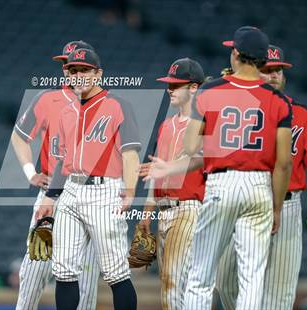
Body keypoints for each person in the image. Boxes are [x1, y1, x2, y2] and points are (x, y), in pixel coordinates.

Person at [216, 44, 307, 310]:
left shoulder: (302, 114)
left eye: (279, 70)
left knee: (279, 293)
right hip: (243, 199)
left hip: (288, 204)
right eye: (268, 70)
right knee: (225, 281)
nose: (275, 75)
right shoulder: (237, 112)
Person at [183, 26, 293, 309]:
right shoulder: (278, 100)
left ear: (235, 54)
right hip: (260, 186)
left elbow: (190, 146)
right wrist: (277, 208)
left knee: (200, 275)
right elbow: (283, 164)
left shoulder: (210, 90)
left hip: (222, 182)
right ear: (262, 61)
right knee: (252, 278)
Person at [35, 48, 141, 310]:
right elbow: (62, 160)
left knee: (116, 272)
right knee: (64, 270)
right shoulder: (66, 111)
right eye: (73, 70)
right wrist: (50, 197)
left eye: (84, 70)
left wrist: (129, 190)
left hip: (105, 190)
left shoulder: (117, 105)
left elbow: (130, 154)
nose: (78, 75)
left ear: (98, 73)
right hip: (70, 190)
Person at [11, 41, 99, 310]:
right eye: (66, 65)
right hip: (52, 192)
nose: (68, 70)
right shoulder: (48, 99)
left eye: (76, 66)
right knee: (35, 269)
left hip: (91, 192)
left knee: (86, 276)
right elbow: (19, 136)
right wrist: (30, 172)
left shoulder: (103, 101)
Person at [138, 58, 206, 310]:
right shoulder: (166, 126)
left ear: (194, 88)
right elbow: (155, 174)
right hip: (165, 211)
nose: (170, 89)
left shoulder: (204, 125)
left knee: (176, 282)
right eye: (169, 84)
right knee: (169, 285)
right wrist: (146, 216)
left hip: (188, 208)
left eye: (177, 85)